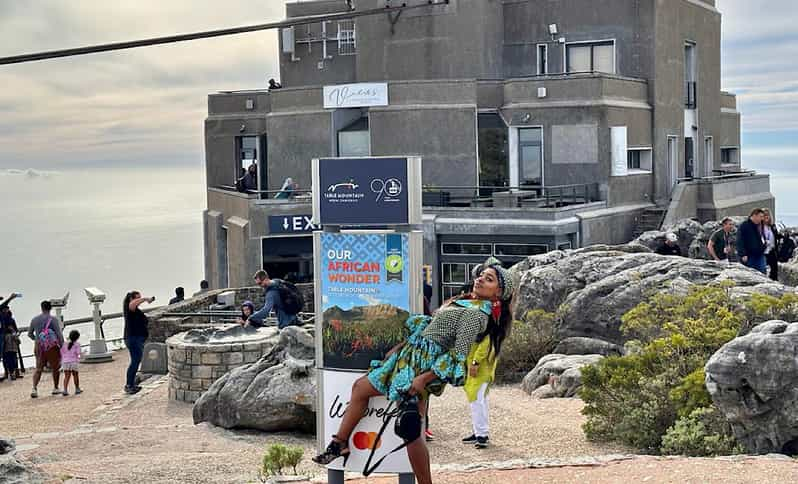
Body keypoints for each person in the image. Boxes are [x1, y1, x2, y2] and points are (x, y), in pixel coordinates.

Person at [312, 257, 515, 484]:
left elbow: (457, 355)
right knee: (362, 389)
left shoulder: (476, 315)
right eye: (481, 275)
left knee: (411, 431)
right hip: (408, 357)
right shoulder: (467, 302)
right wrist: (399, 348)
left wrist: (423, 379)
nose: (480, 279)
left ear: (498, 294)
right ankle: (340, 443)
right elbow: (429, 328)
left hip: (421, 367)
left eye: (488, 279)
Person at [462, 332, 499, 449]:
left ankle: (481, 435)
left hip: (481, 370)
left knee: (477, 401)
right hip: (479, 369)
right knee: (480, 400)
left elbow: (485, 345)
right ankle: (479, 432)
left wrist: (475, 362)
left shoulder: (485, 326)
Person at [28, 300, 64, 398]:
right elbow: (59, 334)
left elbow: (29, 334)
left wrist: (37, 340)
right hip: (52, 347)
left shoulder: (35, 320)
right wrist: (62, 347)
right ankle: (56, 388)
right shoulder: (53, 319)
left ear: (42, 308)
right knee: (55, 367)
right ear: (50, 308)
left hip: (39, 346)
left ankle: (34, 388)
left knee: (38, 368)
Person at [123, 291, 154, 394]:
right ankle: (129, 385)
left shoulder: (135, 310)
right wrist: (145, 299)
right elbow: (132, 304)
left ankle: (131, 383)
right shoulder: (129, 308)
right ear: (131, 299)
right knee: (135, 361)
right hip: (133, 339)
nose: (139, 301)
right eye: (137, 298)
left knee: (136, 361)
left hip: (137, 339)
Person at [737, 208, 767, 274]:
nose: (762, 219)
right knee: (751, 274)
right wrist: (743, 254)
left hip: (760, 255)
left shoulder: (759, 225)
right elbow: (740, 241)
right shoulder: (744, 226)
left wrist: (764, 246)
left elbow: (762, 237)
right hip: (749, 256)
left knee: (762, 274)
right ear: (754, 215)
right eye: (760, 216)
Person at [1, 305, 22, 381]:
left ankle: (10, 373)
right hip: (12, 338)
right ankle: (15, 372)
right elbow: (16, 329)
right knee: (13, 355)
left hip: (6, 338)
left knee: (8, 356)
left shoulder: (3, 318)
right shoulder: (11, 319)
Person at [60, 330, 82, 396]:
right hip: (73, 362)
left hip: (65, 362)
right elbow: (78, 353)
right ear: (77, 337)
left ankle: (65, 390)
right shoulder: (77, 344)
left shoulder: (64, 344)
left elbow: (61, 352)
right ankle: (77, 389)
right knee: (75, 375)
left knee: (66, 376)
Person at [762, 209, 780, 281]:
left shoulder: (772, 226)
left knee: (774, 269)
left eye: (767, 215)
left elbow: (776, 235)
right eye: (764, 215)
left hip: (772, 250)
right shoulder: (760, 227)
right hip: (764, 251)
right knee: (764, 269)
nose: (766, 216)